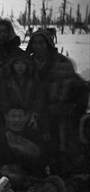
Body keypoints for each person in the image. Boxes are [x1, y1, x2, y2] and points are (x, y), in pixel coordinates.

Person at [26, 29, 89, 175]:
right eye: (35, 43)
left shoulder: (58, 59)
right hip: (36, 105)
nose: (38, 46)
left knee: (62, 145)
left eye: (42, 43)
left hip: (55, 108)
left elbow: (71, 78)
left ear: (48, 44)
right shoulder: (28, 60)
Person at [0, 105, 49, 189]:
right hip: (3, 182)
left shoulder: (35, 136)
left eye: (20, 116)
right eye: (13, 116)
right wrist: (3, 169)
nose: (16, 120)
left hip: (30, 181)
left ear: (26, 117)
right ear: (6, 117)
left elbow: (43, 161)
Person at [0, 51, 48, 134]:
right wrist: (9, 114)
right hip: (12, 117)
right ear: (12, 65)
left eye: (23, 63)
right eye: (17, 63)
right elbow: (3, 99)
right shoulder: (6, 81)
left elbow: (39, 99)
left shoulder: (35, 81)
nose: (20, 67)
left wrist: (33, 114)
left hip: (31, 118)